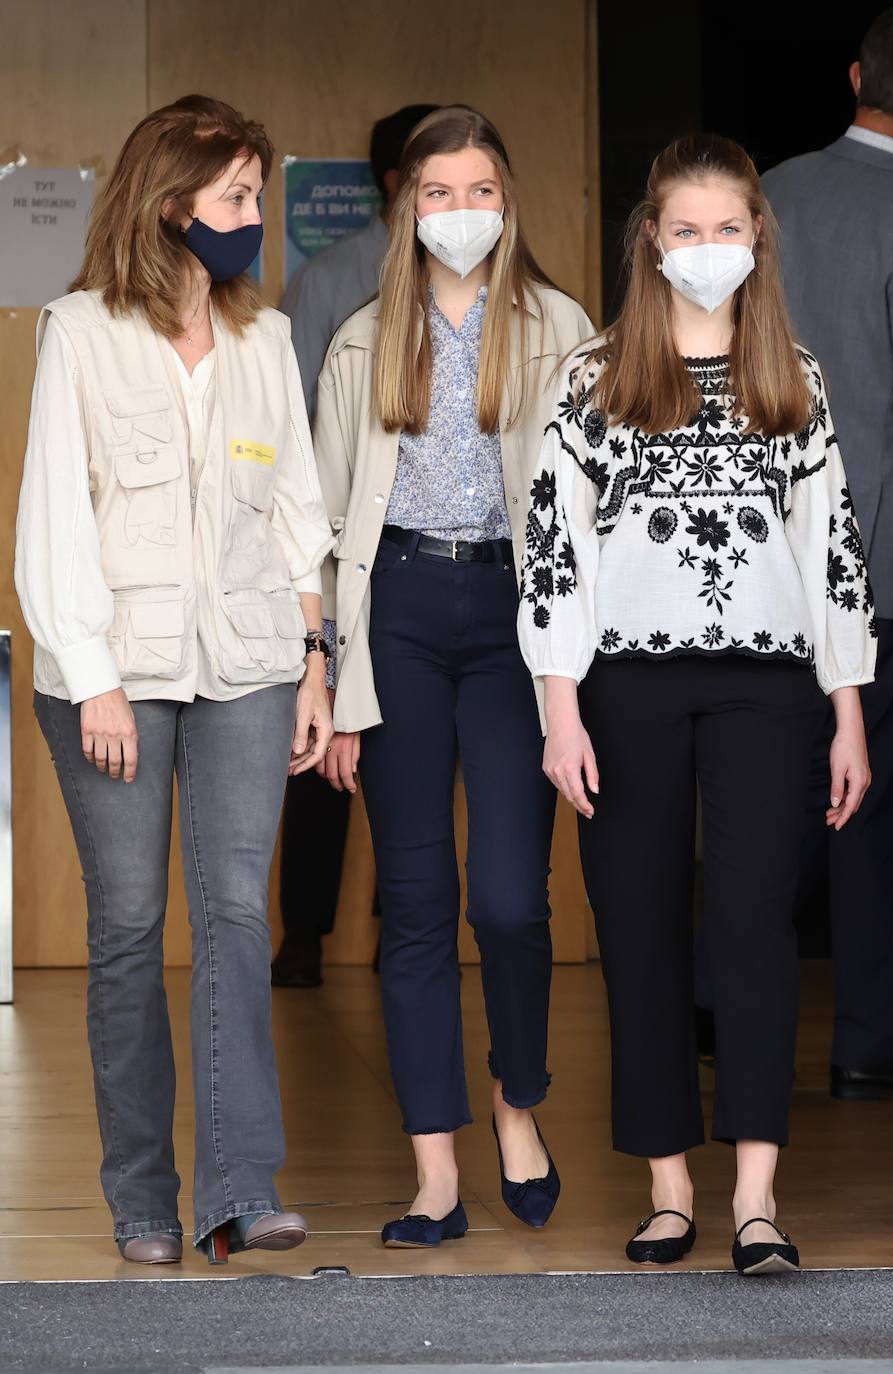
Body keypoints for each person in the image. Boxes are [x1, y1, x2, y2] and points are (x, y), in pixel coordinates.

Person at [518, 133, 875, 1276]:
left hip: (770, 691)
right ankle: (668, 1189)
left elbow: (834, 556)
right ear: (651, 241)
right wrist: (558, 711)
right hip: (624, 688)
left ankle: (756, 1201)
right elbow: (550, 554)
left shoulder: (796, 379)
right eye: (686, 230)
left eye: (728, 230)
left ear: (757, 240)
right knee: (637, 930)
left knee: (754, 931)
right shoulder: (592, 378)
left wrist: (849, 709)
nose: (707, 249)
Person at [14, 95, 333, 1266]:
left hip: (249, 662)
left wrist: (313, 662)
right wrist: (92, 676)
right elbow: (51, 519)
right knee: (131, 927)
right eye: (239, 197)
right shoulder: (80, 331)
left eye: (256, 195)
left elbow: (300, 515)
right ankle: (143, 1194)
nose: (256, 217)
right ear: (171, 206)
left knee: (239, 918)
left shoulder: (267, 340)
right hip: (116, 672)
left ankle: (241, 1188)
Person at [313, 105, 594, 1247]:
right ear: (405, 206)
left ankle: (514, 1107)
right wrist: (323, 678)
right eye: (438, 193)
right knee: (419, 902)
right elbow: (327, 530)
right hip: (400, 621)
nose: (461, 213)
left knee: (510, 901)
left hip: (518, 620)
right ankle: (436, 1167)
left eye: (481, 191)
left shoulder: (565, 330)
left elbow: (592, 510)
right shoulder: (360, 339)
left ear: (509, 202)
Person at [761, 4, 893, 1101]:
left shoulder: (761, 195)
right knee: (872, 807)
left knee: (753, 793)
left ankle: (717, 1015)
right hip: (881, 553)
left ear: (856, 74)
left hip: (750, 558)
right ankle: (863, 1039)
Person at [273, 103, 438, 989]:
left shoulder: (491, 284)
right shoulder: (335, 280)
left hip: (423, 558)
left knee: (403, 746)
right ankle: (305, 935)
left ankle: (386, 930)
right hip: (336, 551)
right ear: (395, 183)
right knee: (322, 731)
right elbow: (290, 424)